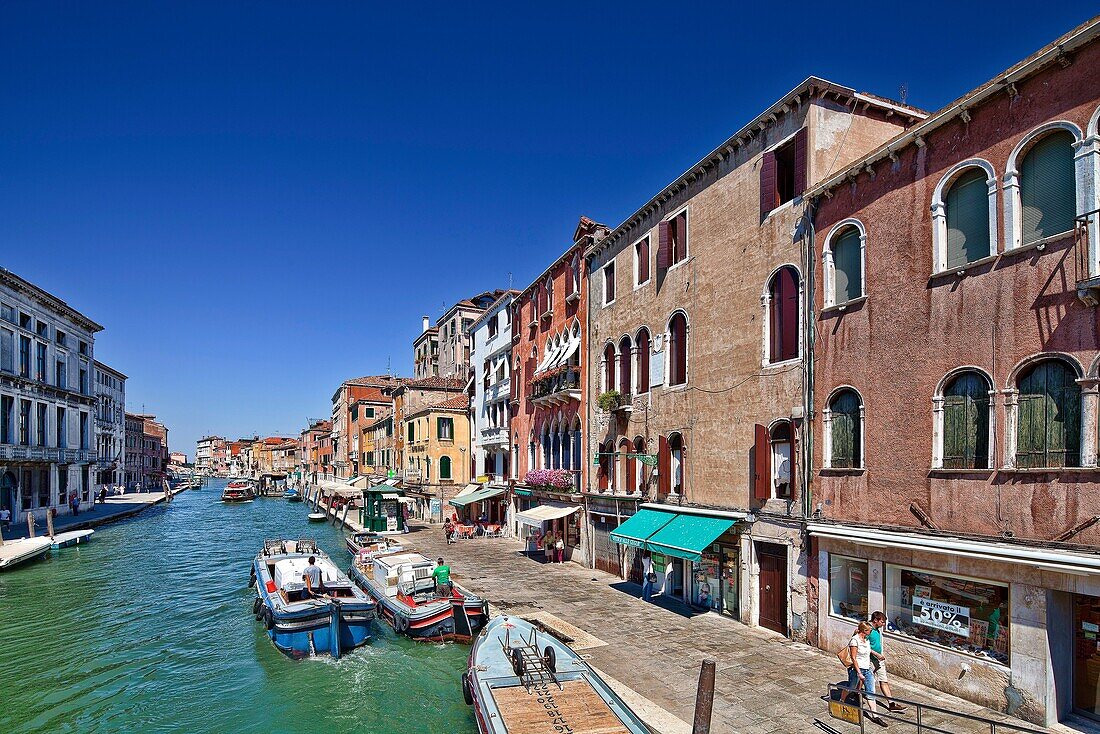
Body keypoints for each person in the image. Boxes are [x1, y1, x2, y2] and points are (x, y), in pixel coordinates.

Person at [845, 621, 887, 727]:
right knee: (851, 687)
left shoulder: (866, 640)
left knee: (871, 691)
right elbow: (853, 658)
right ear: (865, 631)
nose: (871, 632)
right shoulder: (854, 641)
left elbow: (869, 650)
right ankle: (842, 701)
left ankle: (875, 716)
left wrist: (877, 654)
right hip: (856, 670)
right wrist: (859, 673)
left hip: (867, 669)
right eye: (870, 630)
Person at [869, 611, 907, 713]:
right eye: (882, 622)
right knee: (863, 680)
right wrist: (876, 654)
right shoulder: (867, 630)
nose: (884, 624)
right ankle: (854, 693)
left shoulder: (877, 630)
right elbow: (864, 646)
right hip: (869, 660)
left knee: (883, 680)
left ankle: (891, 704)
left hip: (879, 660)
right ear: (875, 620)